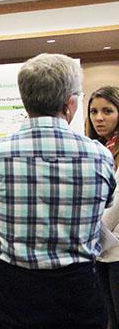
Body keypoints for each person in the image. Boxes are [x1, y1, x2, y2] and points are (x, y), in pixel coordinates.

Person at [0, 54, 116, 329]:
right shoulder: (99, 155)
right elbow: (108, 202)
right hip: (78, 290)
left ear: (25, 100)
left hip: (13, 289)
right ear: (70, 104)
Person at [86, 86, 119, 328]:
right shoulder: (97, 149)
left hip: (113, 246)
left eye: (107, 111)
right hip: (101, 251)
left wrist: (94, 234)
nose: (99, 118)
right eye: (94, 111)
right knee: (108, 318)